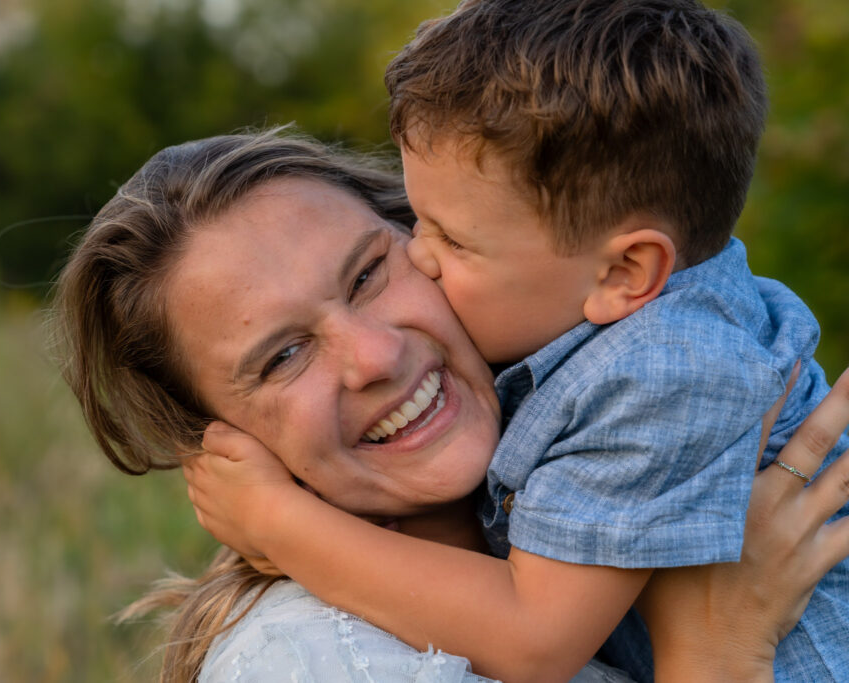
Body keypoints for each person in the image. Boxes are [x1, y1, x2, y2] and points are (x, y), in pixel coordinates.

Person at [184, 2, 849, 681]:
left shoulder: (661, 369)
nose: (421, 255)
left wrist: (277, 520)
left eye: (454, 239)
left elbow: (535, 637)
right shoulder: (593, 317)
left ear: (624, 273)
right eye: (418, 222)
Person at [52, 128, 849, 682]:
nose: (376, 355)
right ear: (220, 446)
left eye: (368, 274)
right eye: (283, 357)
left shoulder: (602, 442)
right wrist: (715, 658)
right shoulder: (314, 658)